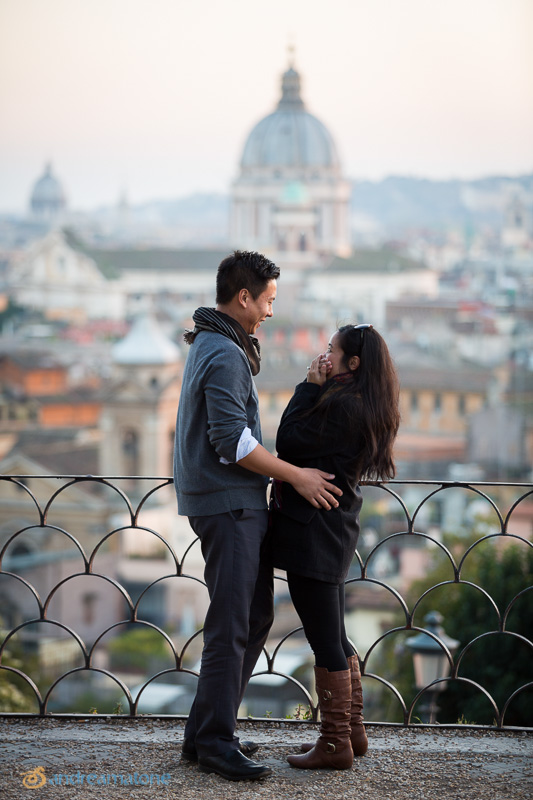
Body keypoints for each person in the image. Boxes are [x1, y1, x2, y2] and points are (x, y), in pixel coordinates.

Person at [173, 250, 342, 782]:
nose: (271, 310)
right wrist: (296, 474)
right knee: (233, 625)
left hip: (228, 502)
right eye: (267, 300)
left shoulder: (212, 342)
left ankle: (205, 731)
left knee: (253, 617)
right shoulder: (223, 353)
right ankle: (216, 743)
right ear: (243, 296)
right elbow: (232, 442)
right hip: (229, 503)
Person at [269, 324, 400, 770]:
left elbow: (287, 442)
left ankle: (334, 743)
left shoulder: (342, 405)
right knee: (335, 635)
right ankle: (353, 733)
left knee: (325, 640)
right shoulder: (362, 402)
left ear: (353, 363)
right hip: (333, 529)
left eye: (331, 350)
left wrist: (307, 387)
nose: (324, 356)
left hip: (315, 535)